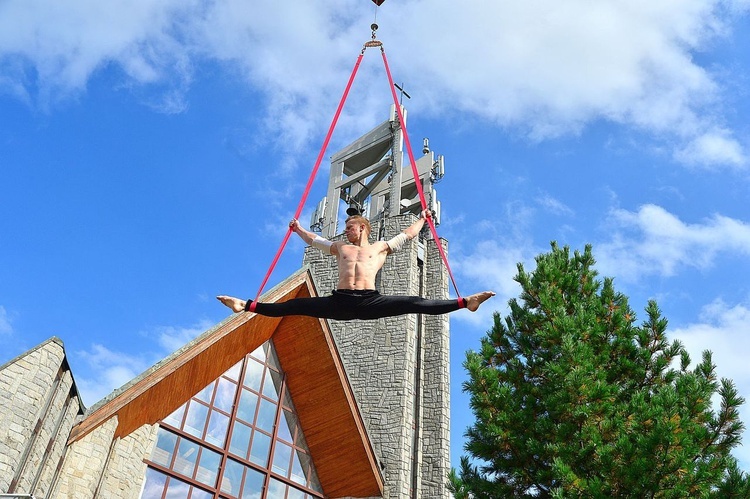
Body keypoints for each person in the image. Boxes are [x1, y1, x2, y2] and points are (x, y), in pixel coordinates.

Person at [217, 210, 494, 320]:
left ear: (362, 228)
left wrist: (424, 219)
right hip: (339, 302)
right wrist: (298, 230)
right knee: (295, 305)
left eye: (350, 227)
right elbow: (315, 241)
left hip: (369, 301)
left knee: (414, 302)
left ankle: (465, 302)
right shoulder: (341, 248)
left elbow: (408, 235)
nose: (346, 230)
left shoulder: (380, 247)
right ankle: (246, 306)